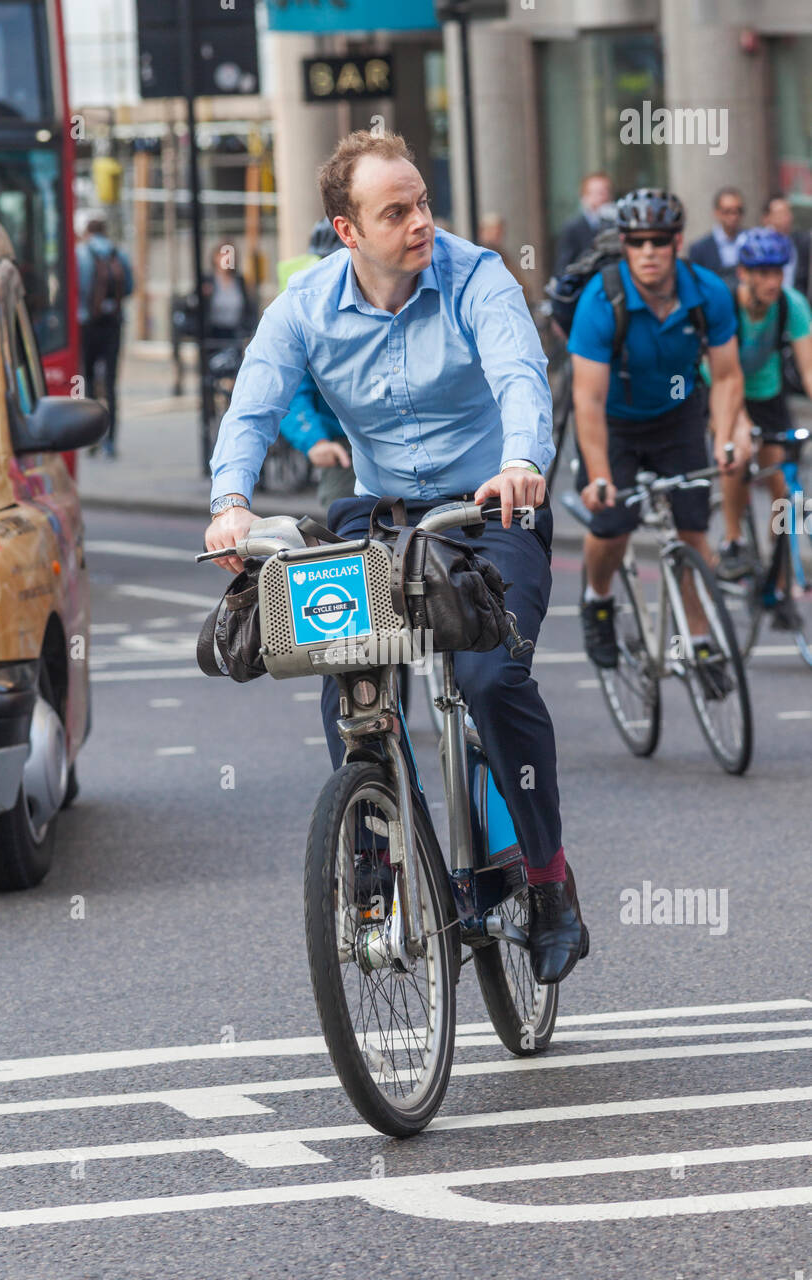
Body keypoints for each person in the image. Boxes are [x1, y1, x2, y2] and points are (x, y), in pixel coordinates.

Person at [205, 129, 588, 987]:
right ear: (347, 232)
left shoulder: (476, 275)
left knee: (493, 680)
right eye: (396, 211)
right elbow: (253, 405)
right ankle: (379, 853)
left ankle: (548, 877)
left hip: (491, 507)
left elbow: (521, 374)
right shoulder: (303, 307)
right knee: (352, 676)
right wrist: (231, 503)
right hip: (378, 517)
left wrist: (523, 461)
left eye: (422, 202)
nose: (421, 221)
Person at [568, 188, 748, 674]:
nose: (648, 252)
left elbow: (728, 375)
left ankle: (701, 640)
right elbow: (587, 398)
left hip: (678, 415)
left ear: (677, 242)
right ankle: (597, 598)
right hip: (615, 422)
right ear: (625, 244)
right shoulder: (602, 300)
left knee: (692, 532)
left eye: (659, 241)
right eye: (638, 241)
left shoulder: (708, 291)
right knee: (612, 526)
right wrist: (601, 474)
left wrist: (727, 436)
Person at [713, 227, 812, 627]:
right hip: (720, 387)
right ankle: (733, 540)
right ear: (744, 273)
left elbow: (808, 369)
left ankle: (781, 585)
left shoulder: (791, 305)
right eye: (763, 272)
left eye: (778, 272)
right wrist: (736, 424)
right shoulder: (724, 305)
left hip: (768, 395)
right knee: (737, 453)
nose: (773, 281)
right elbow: (722, 374)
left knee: (784, 494)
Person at [278, 218, 356, 511]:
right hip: (347, 446)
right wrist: (314, 441)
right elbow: (288, 391)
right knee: (347, 525)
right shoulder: (309, 313)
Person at [76, 217, 133, 457]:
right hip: (113, 324)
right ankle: (111, 441)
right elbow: (129, 287)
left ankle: (91, 439)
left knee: (87, 380)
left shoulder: (81, 253)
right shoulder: (118, 253)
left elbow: (77, 287)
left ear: (87, 231)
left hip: (88, 323)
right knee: (110, 384)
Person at [553, 172, 613, 277]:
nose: (603, 197)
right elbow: (563, 268)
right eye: (598, 193)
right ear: (585, 197)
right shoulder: (573, 227)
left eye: (606, 191)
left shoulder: (615, 223)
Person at [688, 187, 746, 289]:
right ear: (717, 212)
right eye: (727, 211)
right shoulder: (699, 249)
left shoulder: (751, 241)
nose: (733, 216)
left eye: (738, 211)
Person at [204, 241, 256, 342]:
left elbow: (249, 309)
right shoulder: (207, 280)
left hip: (235, 335)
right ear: (215, 257)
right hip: (213, 336)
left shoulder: (240, 281)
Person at [761, 195, 810, 298]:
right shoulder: (758, 246)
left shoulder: (800, 243)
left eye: (788, 213)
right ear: (766, 218)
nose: (786, 218)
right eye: (780, 213)